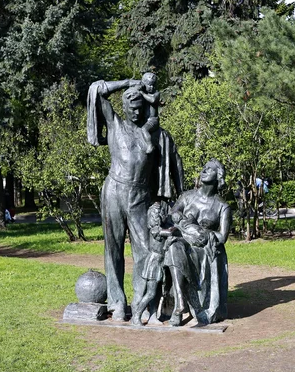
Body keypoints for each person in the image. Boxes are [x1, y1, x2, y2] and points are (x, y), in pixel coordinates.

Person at [87, 75, 184, 321]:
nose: (135, 112)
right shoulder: (114, 122)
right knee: (113, 248)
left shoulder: (151, 130)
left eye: (139, 108)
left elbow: (156, 111)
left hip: (140, 195)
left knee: (143, 250)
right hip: (114, 192)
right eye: (131, 108)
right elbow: (97, 90)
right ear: (124, 108)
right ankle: (117, 303)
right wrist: (128, 82)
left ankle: (144, 303)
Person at [163, 159, 231, 326]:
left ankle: (193, 304)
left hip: (203, 250)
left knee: (178, 249)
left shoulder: (222, 206)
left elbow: (222, 236)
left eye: (210, 169)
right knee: (174, 247)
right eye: (203, 168)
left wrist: (202, 233)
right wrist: (183, 222)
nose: (204, 171)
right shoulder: (187, 197)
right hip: (183, 240)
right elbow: (172, 214)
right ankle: (180, 304)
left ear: (218, 176)